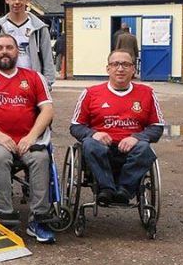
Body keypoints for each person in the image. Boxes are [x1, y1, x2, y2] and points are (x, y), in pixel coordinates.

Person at [0, 34, 56, 243]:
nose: (4, 51)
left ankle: (38, 219)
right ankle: (4, 214)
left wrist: (32, 136)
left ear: (17, 52)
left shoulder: (34, 77)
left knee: (41, 159)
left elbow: (47, 110)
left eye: (9, 47)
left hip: (29, 139)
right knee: (0, 158)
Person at [70, 50, 164, 205]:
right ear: (108, 69)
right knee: (89, 144)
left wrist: (137, 137)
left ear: (133, 69)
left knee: (144, 148)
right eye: (115, 64)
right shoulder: (91, 93)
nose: (120, 69)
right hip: (102, 149)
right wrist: (93, 133)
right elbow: (75, 126)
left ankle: (125, 190)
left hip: (132, 150)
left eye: (126, 64)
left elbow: (157, 127)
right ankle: (106, 189)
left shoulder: (147, 93)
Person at [0, 0, 56, 88]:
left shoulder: (39, 28)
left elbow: (48, 59)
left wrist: (46, 85)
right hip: (4, 86)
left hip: (32, 85)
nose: (17, 2)